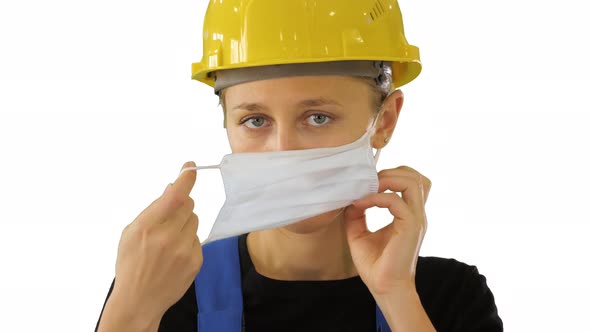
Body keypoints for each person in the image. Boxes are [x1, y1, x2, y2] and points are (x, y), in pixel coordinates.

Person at [95, 0, 503, 331]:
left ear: (386, 121)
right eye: (255, 121)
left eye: (317, 117)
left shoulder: (449, 298)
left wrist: (397, 295)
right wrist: (130, 313)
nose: (284, 151)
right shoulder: (164, 288)